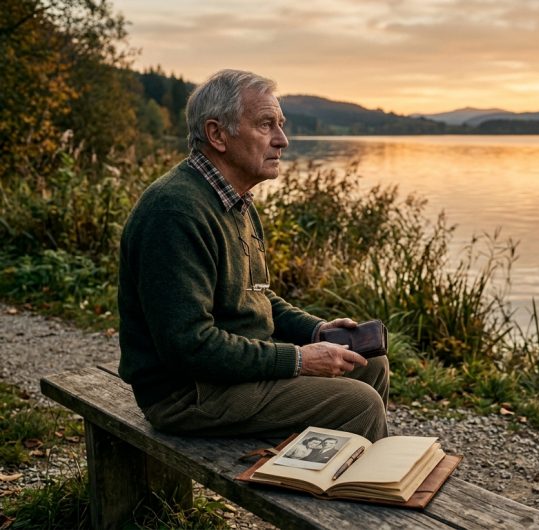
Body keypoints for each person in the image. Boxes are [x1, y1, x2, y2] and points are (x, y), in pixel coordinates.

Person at [117, 69, 389, 441]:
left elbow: (255, 296)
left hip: (232, 371)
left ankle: (335, 465)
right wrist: (299, 359)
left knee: (371, 363)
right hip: (188, 391)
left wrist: (316, 331)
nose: (282, 140)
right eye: (265, 125)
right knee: (359, 403)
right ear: (217, 135)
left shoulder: (236, 199)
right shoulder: (175, 213)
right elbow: (189, 346)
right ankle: (339, 477)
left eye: (281, 125)